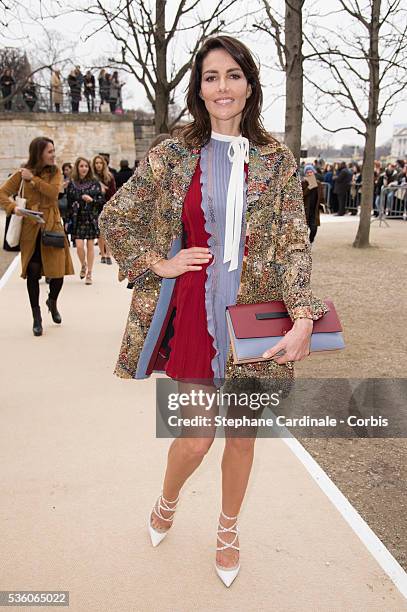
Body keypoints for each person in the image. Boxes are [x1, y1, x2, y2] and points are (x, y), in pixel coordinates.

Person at [99, 35, 328, 587]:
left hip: (256, 317)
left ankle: (228, 529)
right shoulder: (172, 152)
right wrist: (159, 261)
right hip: (196, 311)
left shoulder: (276, 159)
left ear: (249, 84)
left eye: (232, 75)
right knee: (197, 437)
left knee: (242, 437)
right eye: (210, 77)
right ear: (198, 89)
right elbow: (115, 217)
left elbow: (295, 240)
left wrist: (303, 317)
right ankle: (168, 497)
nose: (221, 87)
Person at [0, 137, 74, 335]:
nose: (53, 154)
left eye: (53, 150)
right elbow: (2, 194)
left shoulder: (55, 172)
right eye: (50, 151)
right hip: (30, 230)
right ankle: (36, 317)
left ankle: (52, 300)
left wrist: (32, 178)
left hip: (52, 225)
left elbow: (52, 193)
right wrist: (12, 207)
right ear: (39, 152)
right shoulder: (21, 173)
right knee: (32, 273)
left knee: (57, 274)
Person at [65, 157, 104, 285]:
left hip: (91, 217)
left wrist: (91, 200)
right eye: (81, 166)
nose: (84, 168)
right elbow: (68, 204)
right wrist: (66, 220)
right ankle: (83, 265)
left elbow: (101, 202)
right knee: (79, 247)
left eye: (86, 166)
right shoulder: (72, 184)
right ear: (77, 167)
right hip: (77, 219)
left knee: (90, 246)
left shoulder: (95, 183)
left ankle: (89, 273)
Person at [91, 154, 116, 264]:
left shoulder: (109, 176)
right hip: (96, 206)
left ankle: (109, 254)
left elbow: (113, 192)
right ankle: (103, 253)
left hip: (107, 206)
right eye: (96, 163)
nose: (98, 165)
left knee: (107, 232)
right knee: (100, 232)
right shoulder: (91, 178)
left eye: (100, 163)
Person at [301, 164, 325, 243]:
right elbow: (302, 195)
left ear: (313, 173)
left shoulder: (318, 184)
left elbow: (321, 196)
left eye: (311, 172)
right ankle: (305, 244)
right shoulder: (303, 183)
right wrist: (309, 187)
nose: (309, 174)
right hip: (305, 210)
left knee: (314, 229)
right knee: (304, 229)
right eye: (307, 172)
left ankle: (310, 241)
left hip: (314, 210)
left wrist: (322, 205)